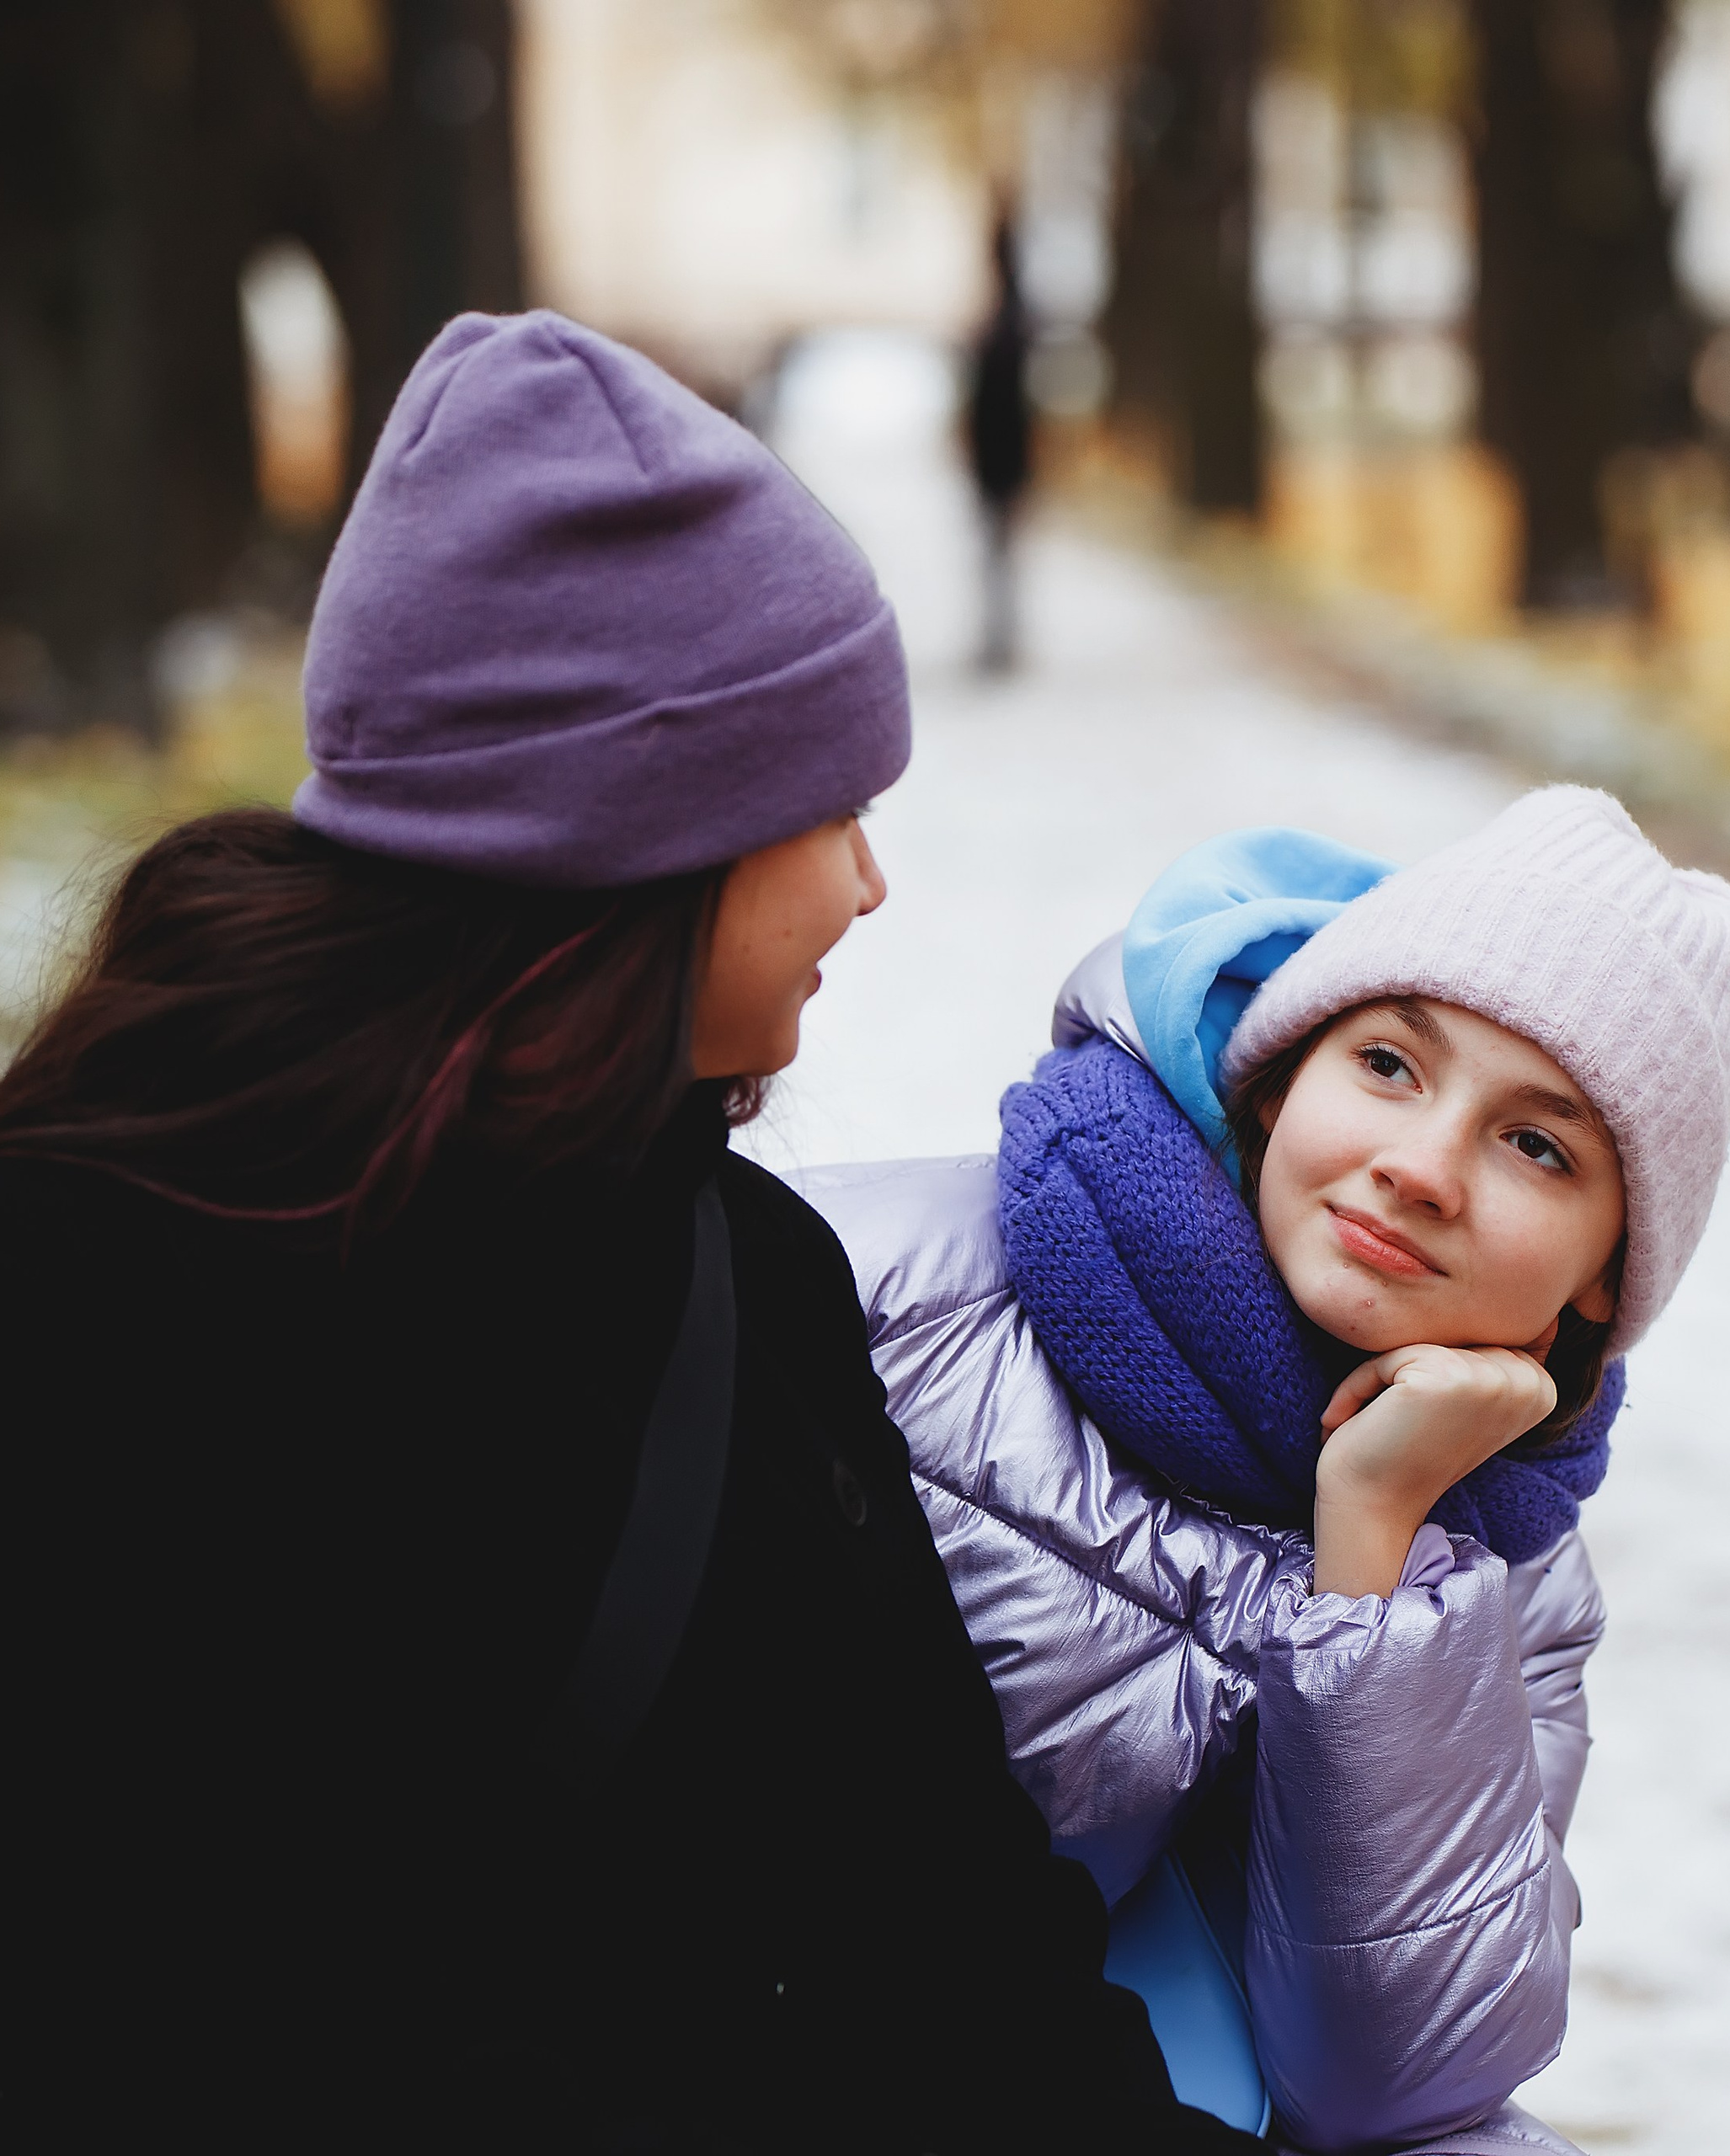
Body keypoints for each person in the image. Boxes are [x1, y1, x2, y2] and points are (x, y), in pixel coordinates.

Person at [0, 312, 1262, 2156]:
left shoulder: (745, 1283)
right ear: (637, 839)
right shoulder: (82, 1274)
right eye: (826, 807)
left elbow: (946, 1941)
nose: (867, 878)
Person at [798, 791, 1730, 2151]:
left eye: (1536, 1146)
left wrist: (1375, 1541)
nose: (1422, 1169)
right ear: (1277, 1069)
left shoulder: (1511, 1559)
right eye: (1388, 1064)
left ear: (1605, 1275)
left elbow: (1394, 2082)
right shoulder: (890, 1297)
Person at [964, 209, 1033, 670]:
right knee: (1000, 554)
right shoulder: (1016, 323)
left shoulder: (1002, 327)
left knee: (998, 554)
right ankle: (1001, 639)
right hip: (1003, 457)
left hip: (1000, 459)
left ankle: (1002, 641)